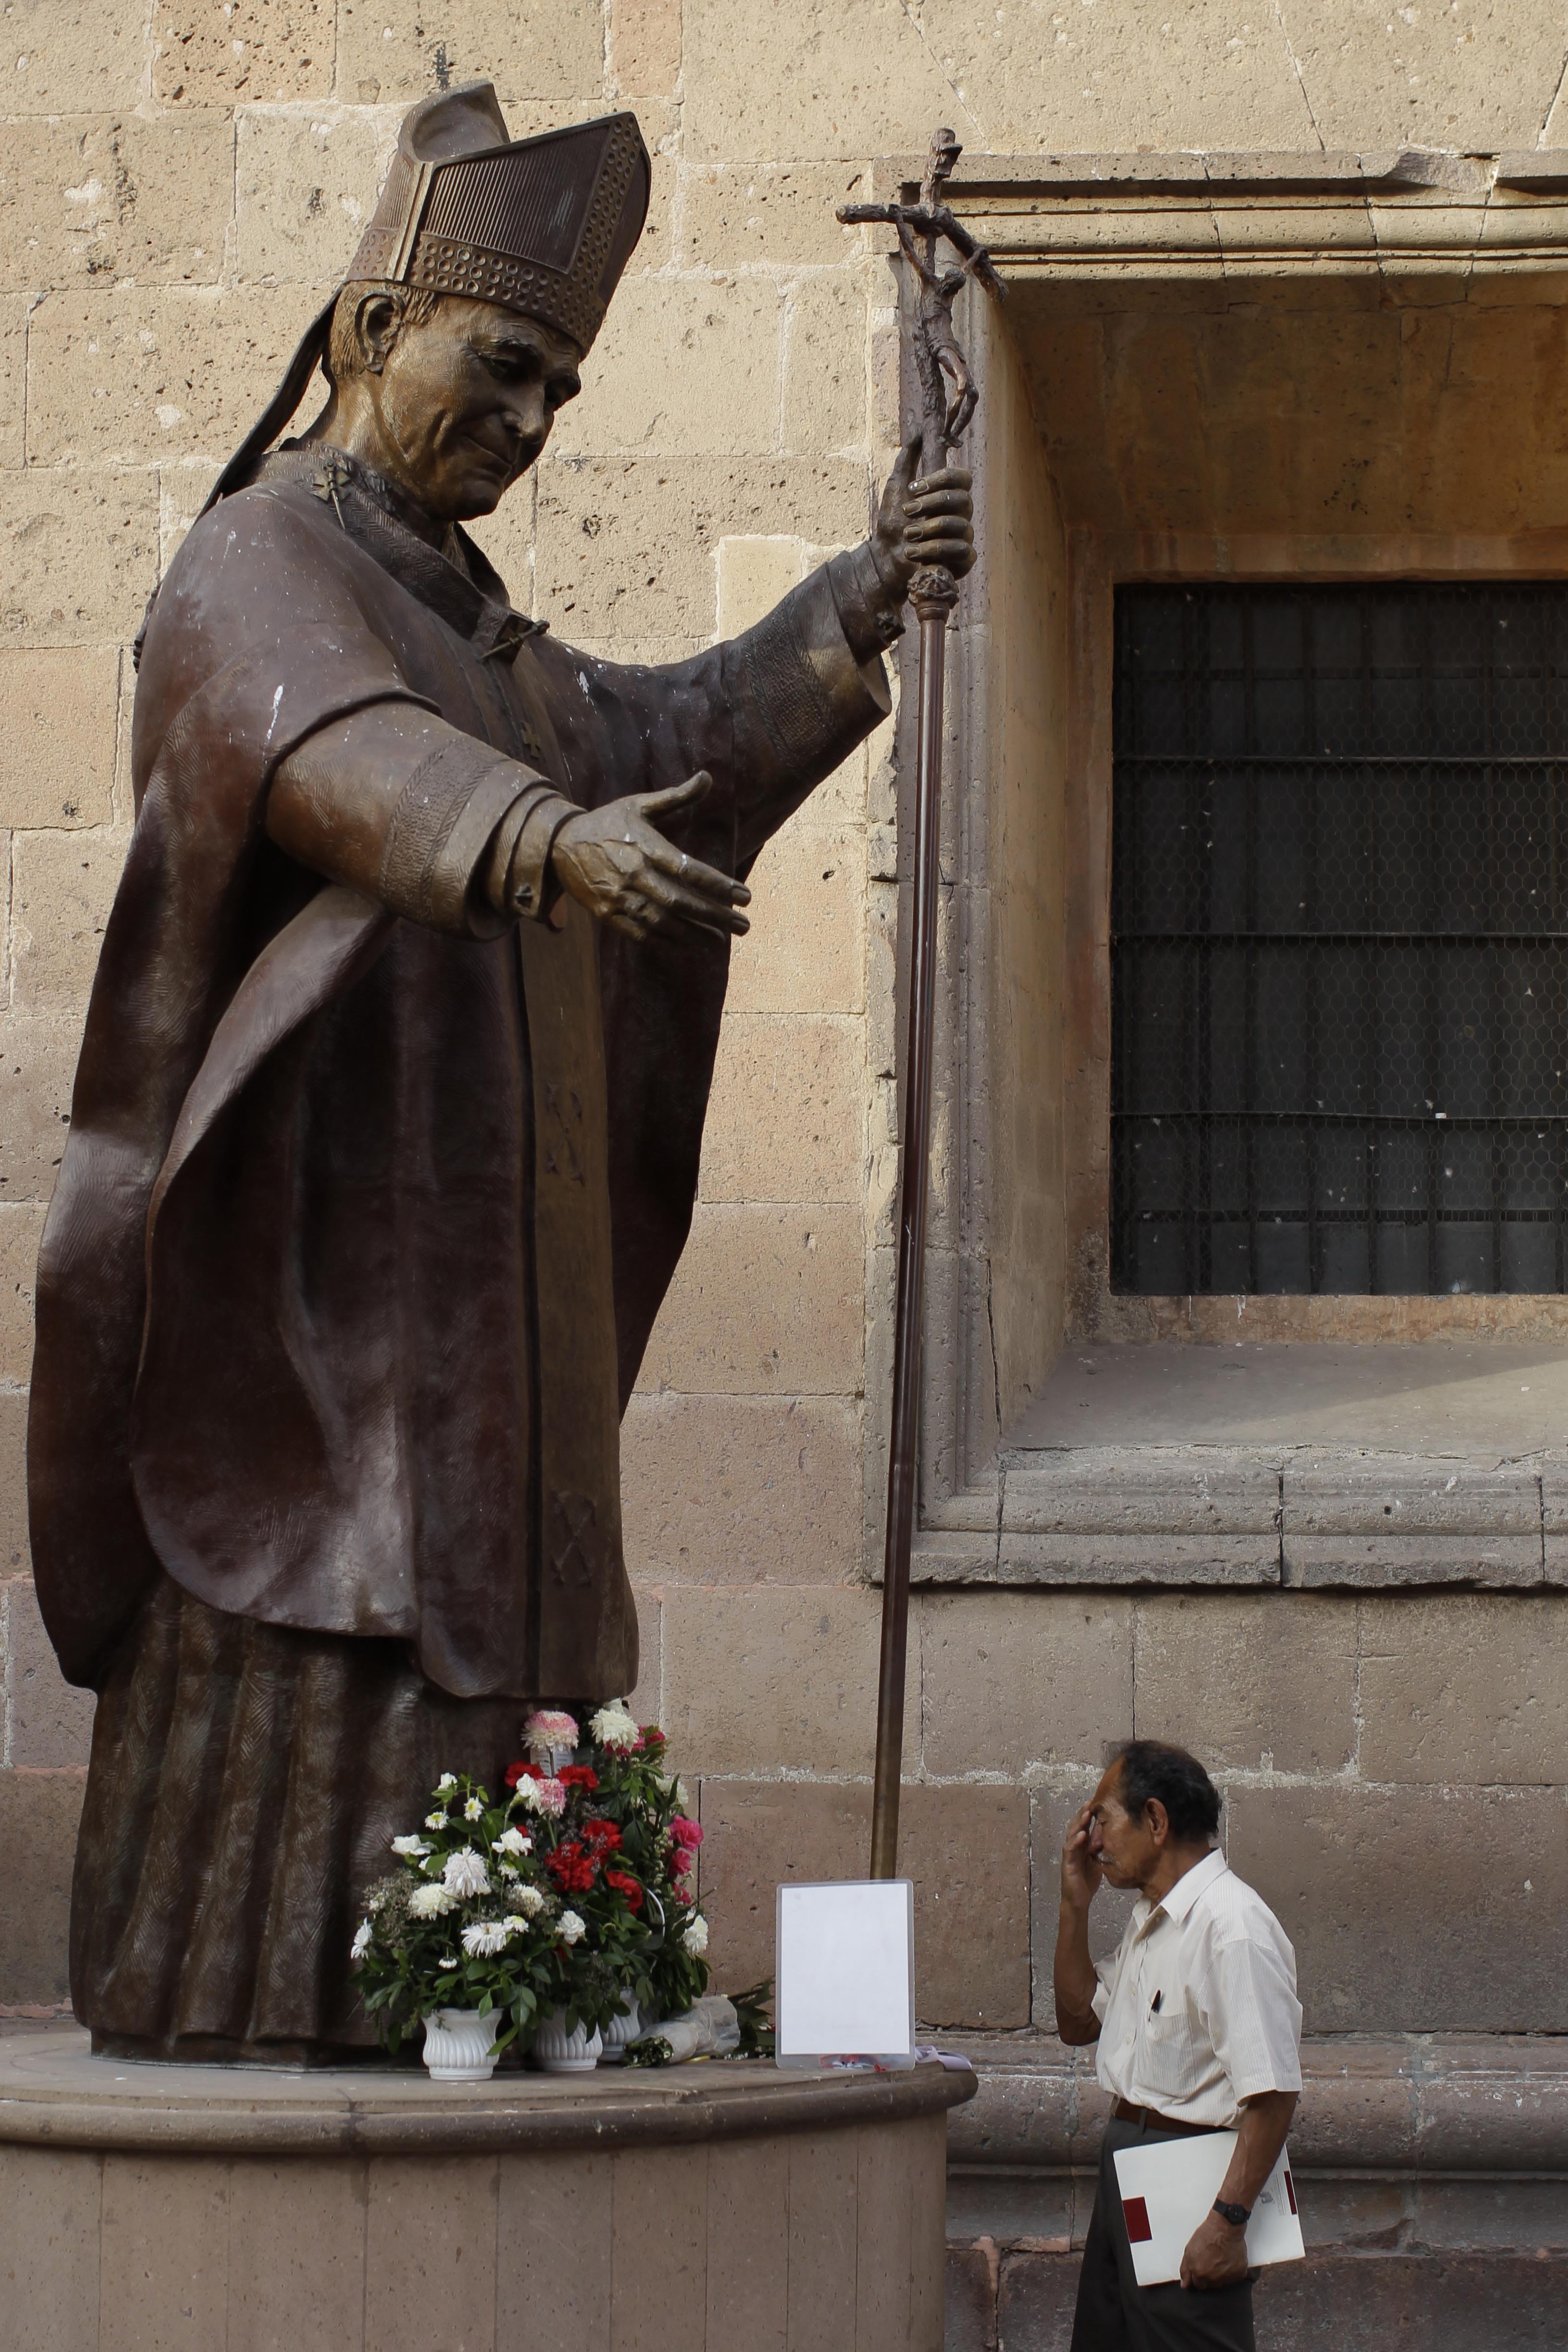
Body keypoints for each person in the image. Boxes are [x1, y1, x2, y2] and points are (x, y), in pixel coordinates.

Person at [26, 82, 975, 2061]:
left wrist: (848, 605)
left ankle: (507, 1978)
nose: (533, 424)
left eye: (562, 391)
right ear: (376, 324)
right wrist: (536, 844)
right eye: (507, 365)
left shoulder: (492, 639)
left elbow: (656, 741)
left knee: (486, 1614)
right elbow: (326, 746)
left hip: (483, 1302)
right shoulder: (255, 558)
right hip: (316, 1296)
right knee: (329, 1592)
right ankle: (282, 1997)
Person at [1054, 1740, 1302, 2351]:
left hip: (1190, 2186)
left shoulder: (1232, 1926)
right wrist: (1074, 1905)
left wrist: (1228, 2223)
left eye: (1102, 1820)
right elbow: (1078, 2022)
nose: (1094, 1842)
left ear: (1157, 1822)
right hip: (1129, 2167)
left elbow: (1272, 2094)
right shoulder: (1152, 1917)